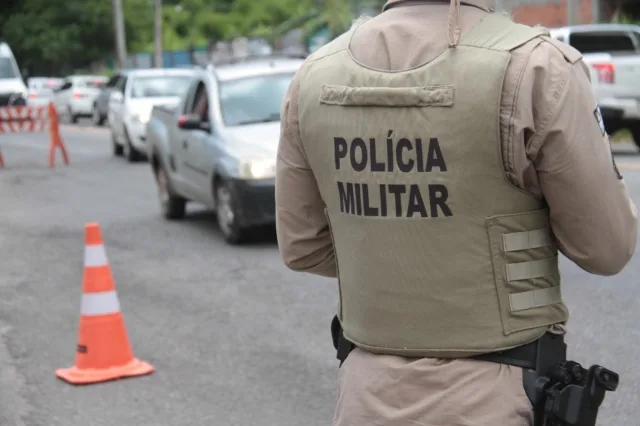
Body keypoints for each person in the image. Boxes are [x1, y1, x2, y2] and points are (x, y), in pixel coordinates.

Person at [274, 1, 638, 425]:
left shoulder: (314, 75)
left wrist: (406, 257)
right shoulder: (536, 66)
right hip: (496, 395)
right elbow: (607, 249)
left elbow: (303, 247)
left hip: (365, 394)